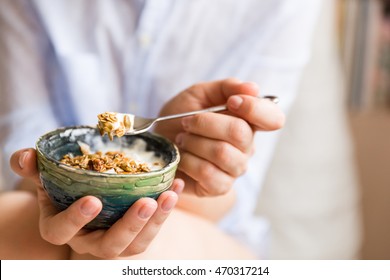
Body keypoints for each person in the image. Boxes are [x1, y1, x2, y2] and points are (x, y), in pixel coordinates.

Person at [0, 0, 322, 259]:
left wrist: (178, 163)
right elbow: (23, 146)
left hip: (200, 220)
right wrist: (76, 188)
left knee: (121, 260)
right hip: (47, 197)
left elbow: (232, 197)